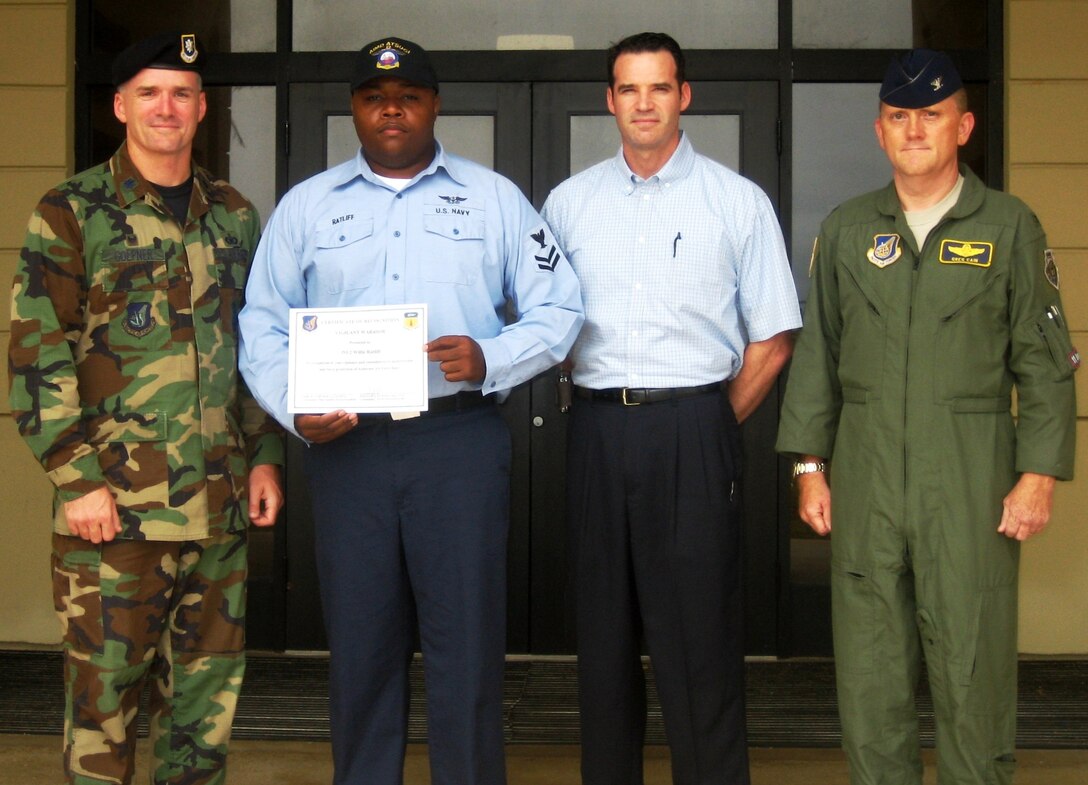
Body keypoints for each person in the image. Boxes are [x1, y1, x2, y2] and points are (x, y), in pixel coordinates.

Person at [237, 36, 583, 785]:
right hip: (348, 450)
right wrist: (299, 411)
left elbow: (561, 307)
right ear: (355, 109)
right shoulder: (307, 207)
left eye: (408, 96)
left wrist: (493, 358)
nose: (390, 109)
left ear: (434, 104)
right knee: (361, 648)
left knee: (466, 648)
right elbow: (260, 324)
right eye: (373, 97)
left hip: (455, 445)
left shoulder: (494, 199)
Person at [776, 49, 1078, 785]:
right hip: (868, 475)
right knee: (872, 680)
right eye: (900, 117)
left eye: (931, 115)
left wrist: (1038, 474)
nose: (915, 130)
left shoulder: (1009, 227)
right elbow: (820, 355)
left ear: (964, 125)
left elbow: (1044, 361)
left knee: (971, 676)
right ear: (879, 131)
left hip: (970, 477)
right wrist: (810, 467)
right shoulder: (848, 231)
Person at [7, 32, 286, 785]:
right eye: (151, 92)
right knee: (105, 713)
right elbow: (37, 355)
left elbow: (254, 350)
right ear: (121, 104)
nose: (168, 107)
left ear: (202, 108)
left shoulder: (233, 216)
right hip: (115, 515)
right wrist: (78, 480)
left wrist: (265, 456)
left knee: (203, 716)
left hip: (220, 512)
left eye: (183, 93)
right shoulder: (72, 211)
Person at [541, 32, 801, 785]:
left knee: (700, 647)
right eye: (629, 89)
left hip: (695, 427)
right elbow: (542, 322)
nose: (644, 102)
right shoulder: (569, 203)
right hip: (595, 430)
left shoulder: (736, 201)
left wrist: (714, 422)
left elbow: (775, 336)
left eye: (659, 87)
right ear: (610, 101)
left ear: (683, 96)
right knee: (603, 645)